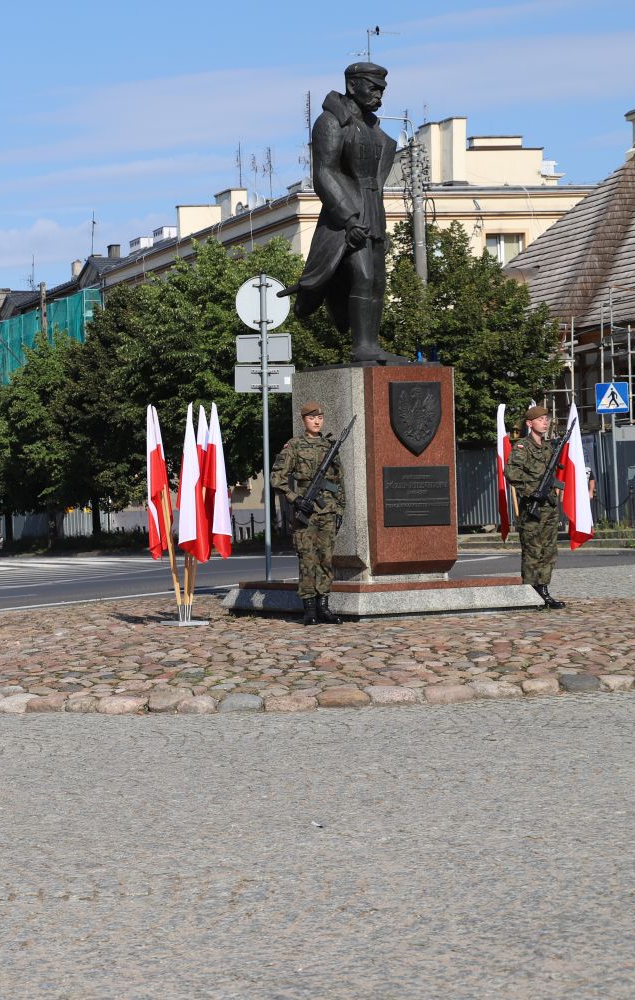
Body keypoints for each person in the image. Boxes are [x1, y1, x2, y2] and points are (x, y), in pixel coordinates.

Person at [279, 62, 406, 365]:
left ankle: (372, 344)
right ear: (352, 86)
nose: (379, 95)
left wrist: (379, 223)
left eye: (382, 90)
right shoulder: (330, 121)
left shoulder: (375, 129)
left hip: (373, 208)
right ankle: (362, 346)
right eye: (373, 88)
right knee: (362, 276)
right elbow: (325, 172)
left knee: (377, 280)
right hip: (346, 212)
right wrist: (348, 217)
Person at [274, 402, 345, 626]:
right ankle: (309, 609)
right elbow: (278, 480)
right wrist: (296, 500)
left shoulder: (329, 446)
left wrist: (340, 509)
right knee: (307, 560)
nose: (316, 421)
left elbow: (339, 482)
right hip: (306, 512)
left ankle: (324, 606)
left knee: (325, 559)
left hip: (328, 511)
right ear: (303, 420)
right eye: (312, 418)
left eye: (320, 418)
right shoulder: (294, 446)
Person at [503, 405, 565, 609]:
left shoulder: (548, 447)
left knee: (549, 551)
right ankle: (530, 593)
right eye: (540, 419)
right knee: (532, 551)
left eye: (546, 419)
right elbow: (511, 474)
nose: (545, 422)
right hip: (533, 507)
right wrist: (532, 492)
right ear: (530, 424)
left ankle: (544, 590)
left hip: (549, 508)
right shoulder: (522, 446)